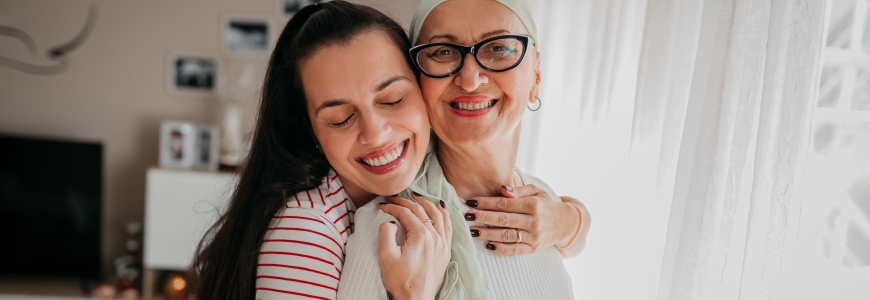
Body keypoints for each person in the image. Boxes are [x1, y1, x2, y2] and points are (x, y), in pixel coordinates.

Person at [192, 2, 453, 300]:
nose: (375, 133)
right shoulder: (306, 230)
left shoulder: (435, 180)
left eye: (392, 99)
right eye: (341, 118)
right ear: (311, 131)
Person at [337, 0, 592, 299]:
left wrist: (574, 223)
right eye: (442, 52)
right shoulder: (389, 231)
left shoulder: (545, 206)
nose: (470, 81)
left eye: (498, 48)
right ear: (418, 81)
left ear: (535, 75)